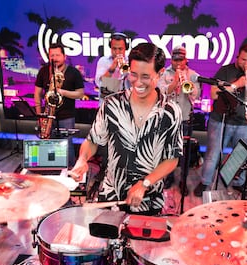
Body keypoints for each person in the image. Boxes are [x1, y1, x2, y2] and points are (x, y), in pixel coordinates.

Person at [70, 42, 183, 215]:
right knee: (107, 241)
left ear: (160, 74)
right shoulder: (111, 104)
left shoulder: (171, 112)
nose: (137, 82)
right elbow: (92, 141)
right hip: (111, 195)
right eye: (133, 74)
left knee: (140, 242)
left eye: (145, 76)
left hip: (148, 199)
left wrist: (144, 183)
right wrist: (83, 159)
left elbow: (172, 158)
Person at [194, 44, 247, 197]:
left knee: (241, 154)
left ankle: (238, 183)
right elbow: (214, 94)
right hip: (221, 120)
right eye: (243, 60)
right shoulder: (225, 70)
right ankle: (205, 182)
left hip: (244, 123)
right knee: (213, 154)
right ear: (237, 57)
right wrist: (237, 84)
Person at [34, 43, 85, 167]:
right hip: (47, 114)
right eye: (52, 55)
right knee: (47, 145)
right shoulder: (43, 71)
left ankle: (70, 172)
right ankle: (50, 169)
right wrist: (39, 114)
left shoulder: (73, 72)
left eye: (58, 55)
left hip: (66, 115)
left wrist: (61, 92)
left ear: (64, 56)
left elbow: (80, 94)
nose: (55, 58)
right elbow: (37, 93)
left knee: (66, 145)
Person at [158, 46, 201, 188]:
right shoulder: (164, 73)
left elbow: (196, 96)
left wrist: (185, 84)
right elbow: (161, 92)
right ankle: (168, 177)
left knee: (184, 152)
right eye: (175, 60)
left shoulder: (193, 74)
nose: (178, 63)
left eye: (180, 60)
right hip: (168, 118)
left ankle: (183, 179)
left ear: (185, 60)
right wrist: (175, 82)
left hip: (185, 118)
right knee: (167, 150)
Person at [94, 32, 130, 102]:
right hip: (107, 100)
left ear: (126, 48)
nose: (117, 52)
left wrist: (123, 66)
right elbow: (100, 82)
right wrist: (112, 68)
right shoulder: (103, 61)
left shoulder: (130, 60)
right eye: (114, 48)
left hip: (126, 101)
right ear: (110, 47)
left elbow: (131, 81)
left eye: (120, 49)